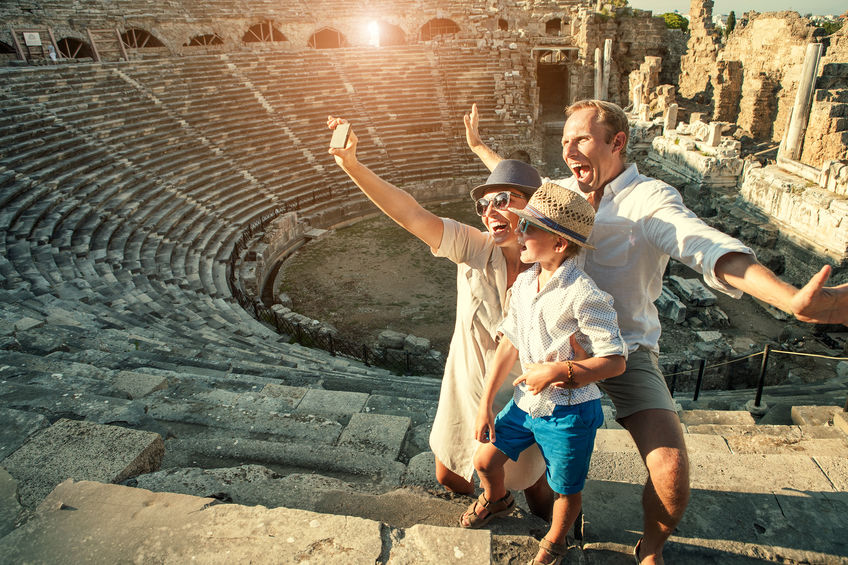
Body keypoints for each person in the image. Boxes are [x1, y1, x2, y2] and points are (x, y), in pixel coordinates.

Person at [464, 99, 848, 565]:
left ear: (617, 141)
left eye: (581, 139)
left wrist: (788, 298)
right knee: (496, 445)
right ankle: (517, 501)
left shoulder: (651, 201)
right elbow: (524, 186)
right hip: (549, 344)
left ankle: (651, 547)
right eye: (565, 141)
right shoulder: (563, 192)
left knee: (671, 471)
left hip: (623, 349)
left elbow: (702, 245)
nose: (569, 150)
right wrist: (482, 149)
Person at [326, 115, 555, 518]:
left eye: (503, 201)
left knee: (534, 483)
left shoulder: (552, 266)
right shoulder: (473, 245)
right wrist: (352, 165)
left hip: (525, 390)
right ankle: (497, 501)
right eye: (484, 204)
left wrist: (483, 151)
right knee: (450, 474)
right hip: (468, 384)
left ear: (532, 208)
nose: (489, 210)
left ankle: (551, 527)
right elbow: (411, 215)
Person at [460, 182, 627, 565]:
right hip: (525, 403)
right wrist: (486, 404)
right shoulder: (524, 282)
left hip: (570, 413)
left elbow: (615, 360)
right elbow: (511, 341)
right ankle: (496, 498)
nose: (519, 232)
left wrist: (559, 370)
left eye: (529, 228)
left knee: (565, 488)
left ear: (559, 244)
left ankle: (555, 540)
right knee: (485, 461)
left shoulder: (585, 295)